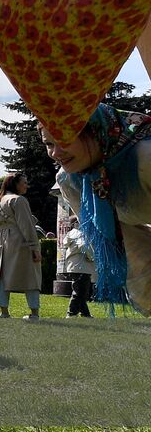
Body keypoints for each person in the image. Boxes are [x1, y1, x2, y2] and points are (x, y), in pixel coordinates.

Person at [44, 104, 151, 314]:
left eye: (64, 140)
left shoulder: (146, 159)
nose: (56, 153)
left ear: (95, 132)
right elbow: (131, 250)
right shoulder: (69, 179)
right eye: (48, 143)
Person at [0, 172, 43, 320]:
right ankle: (34, 312)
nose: (27, 185)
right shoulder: (19, 200)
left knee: (2, 277)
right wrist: (34, 248)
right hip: (20, 240)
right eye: (24, 182)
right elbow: (27, 226)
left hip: (1, 241)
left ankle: (4, 312)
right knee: (31, 275)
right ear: (15, 184)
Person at [59, 214, 96, 318]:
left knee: (81, 291)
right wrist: (92, 257)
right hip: (82, 266)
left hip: (74, 266)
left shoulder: (71, 234)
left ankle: (85, 314)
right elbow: (83, 245)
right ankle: (71, 313)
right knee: (80, 292)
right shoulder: (80, 233)